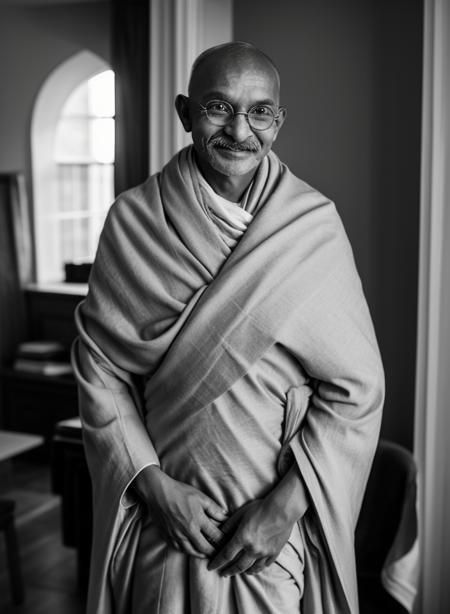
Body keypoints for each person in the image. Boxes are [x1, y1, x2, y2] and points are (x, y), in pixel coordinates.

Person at [72, 41, 384, 614]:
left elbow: (358, 390)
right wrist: (154, 488)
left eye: (260, 111)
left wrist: (284, 509)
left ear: (279, 120)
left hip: (267, 540)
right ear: (185, 111)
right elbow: (101, 369)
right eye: (218, 107)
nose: (241, 130)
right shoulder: (134, 221)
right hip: (165, 526)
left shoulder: (311, 227)